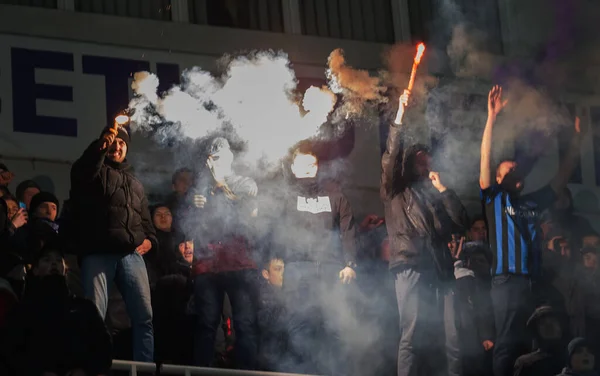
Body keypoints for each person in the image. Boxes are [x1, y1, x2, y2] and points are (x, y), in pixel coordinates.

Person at [478, 85, 583, 376]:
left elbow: (562, 177)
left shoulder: (533, 202)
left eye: (516, 168)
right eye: (508, 170)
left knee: (540, 343)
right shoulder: (495, 199)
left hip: (534, 281)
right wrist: (492, 118)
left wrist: (575, 140)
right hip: (508, 282)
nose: (515, 170)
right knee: (507, 344)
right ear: (499, 179)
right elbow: (485, 158)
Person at [381, 89, 469, 376]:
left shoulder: (434, 195)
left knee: (452, 337)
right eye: (420, 159)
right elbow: (391, 154)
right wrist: (400, 114)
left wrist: (444, 190)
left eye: (428, 160)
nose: (426, 163)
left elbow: (461, 222)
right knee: (412, 335)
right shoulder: (396, 189)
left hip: (440, 269)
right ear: (408, 163)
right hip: (411, 265)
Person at [70, 122, 157, 362]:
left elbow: (147, 224)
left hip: (131, 255)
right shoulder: (91, 172)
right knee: (95, 315)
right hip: (98, 251)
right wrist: (102, 143)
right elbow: (83, 170)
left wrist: (150, 241)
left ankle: (144, 368)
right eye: (113, 141)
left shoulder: (136, 183)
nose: (117, 146)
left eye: (122, 143)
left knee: (144, 317)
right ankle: (94, 365)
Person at [274, 143, 358, 375]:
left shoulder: (334, 194)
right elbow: (275, 227)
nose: (310, 168)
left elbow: (348, 230)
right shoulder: (286, 195)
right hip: (298, 269)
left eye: (313, 163)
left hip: (331, 269)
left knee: (334, 326)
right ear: (293, 167)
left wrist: (349, 264)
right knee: (299, 325)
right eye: (304, 163)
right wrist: (277, 259)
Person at [189, 136, 259, 369]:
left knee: (245, 323)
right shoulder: (200, 187)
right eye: (213, 156)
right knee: (207, 324)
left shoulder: (246, 182)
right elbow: (190, 223)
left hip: (239, 261)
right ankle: (203, 372)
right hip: (207, 263)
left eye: (221, 156)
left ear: (230, 157)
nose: (217, 160)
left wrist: (221, 186)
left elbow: (246, 215)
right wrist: (195, 206)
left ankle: (247, 372)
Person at [0, 246, 112, 376]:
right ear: (35, 270)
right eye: (47, 260)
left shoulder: (84, 308)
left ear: (65, 269)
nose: (54, 263)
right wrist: (38, 372)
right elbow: (10, 351)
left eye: (59, 260)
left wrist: (85, 370)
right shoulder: (24, 310)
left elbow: (103, 346)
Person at [514, 306, 568, 376]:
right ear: (536, 330)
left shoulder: (573, 358)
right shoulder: (526, 362)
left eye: (553, 321)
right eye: (543, 323)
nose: (549, 326)